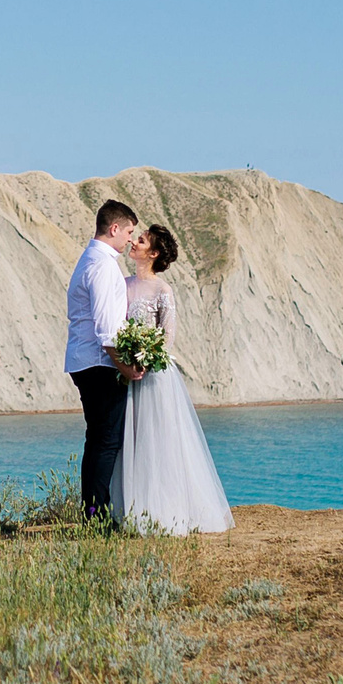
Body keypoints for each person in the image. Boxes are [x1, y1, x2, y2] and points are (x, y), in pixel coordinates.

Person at [111, 223, 234, 533]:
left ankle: (163, 510)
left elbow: (167, 335)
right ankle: (130, 509)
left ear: (152, 253)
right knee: (130, 440)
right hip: (126, 374)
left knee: (158, 440)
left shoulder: (162, 290)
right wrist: (126, 360)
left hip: (154, 376)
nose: (134, 243)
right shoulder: (121, 284)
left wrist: (147, 360)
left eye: (140, 241)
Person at [64, 200, 141, 520]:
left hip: (86, 360)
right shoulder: (104, 265)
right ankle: (96, 518)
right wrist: (126, 367)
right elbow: (106, 328)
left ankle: (93, 513)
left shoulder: (91, 259)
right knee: (106, 442)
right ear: (114, 229)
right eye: (129, 232)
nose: (131, 240)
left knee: (98, 440)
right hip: (98, 363)